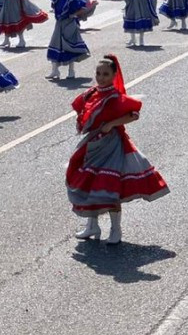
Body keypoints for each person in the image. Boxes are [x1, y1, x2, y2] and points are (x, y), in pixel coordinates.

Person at [66, 55, 169, 244]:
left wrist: (111, 124)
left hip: (111, 145)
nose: (101, 77)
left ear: (114, 75)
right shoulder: (91, 94)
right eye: (98, 73)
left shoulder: (115, 97)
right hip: (92, 144)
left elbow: (133, 115)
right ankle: (92, 226)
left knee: (109, 186)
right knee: (88, 183)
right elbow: (81, 111)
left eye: (106, 74)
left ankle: (115, 229)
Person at [47, 0, 91, 80]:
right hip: (59, 24)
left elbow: (83, 8)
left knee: (69, 45)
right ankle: (55, 70)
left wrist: (74, 15)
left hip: (69, 24)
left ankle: (71, 71)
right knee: (55, 44)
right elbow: (55, 9)